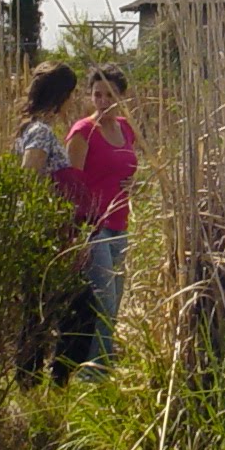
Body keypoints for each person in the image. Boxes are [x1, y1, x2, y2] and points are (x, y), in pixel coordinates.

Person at [65, 63, 139, 376]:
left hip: (120, 222)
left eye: (110, 94)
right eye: (97, 94)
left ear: (122, 96)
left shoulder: (126, 128)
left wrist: (134, 183)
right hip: (93, 226)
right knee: (104, 300)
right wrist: (77, 232)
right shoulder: (83, 132)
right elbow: (70, 185)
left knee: (116, 298)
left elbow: (129, 169)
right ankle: (92, 373)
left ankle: (102, 367)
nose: (103, 101)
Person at [12, 61, 83, 385]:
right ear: (61, 96)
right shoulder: (40, 132)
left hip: (42, 231)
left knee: (39, 306)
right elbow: (29, 177)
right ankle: (45, 379)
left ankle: (34, 379)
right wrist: (50, 214)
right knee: (65, 305)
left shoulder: (30, 129)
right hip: (43, 233)